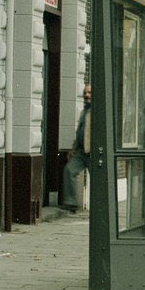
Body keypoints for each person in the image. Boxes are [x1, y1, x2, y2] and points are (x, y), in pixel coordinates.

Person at [61, 82, 91, 212]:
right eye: (85, 92)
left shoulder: (98, 111)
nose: (86, 95)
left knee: (97, 180)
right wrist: (73, 149)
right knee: (69, 170)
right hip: (81, 151)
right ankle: (71, 202)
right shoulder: (84, 111)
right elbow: (80, 131)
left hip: (93, 151)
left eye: (89, 92)